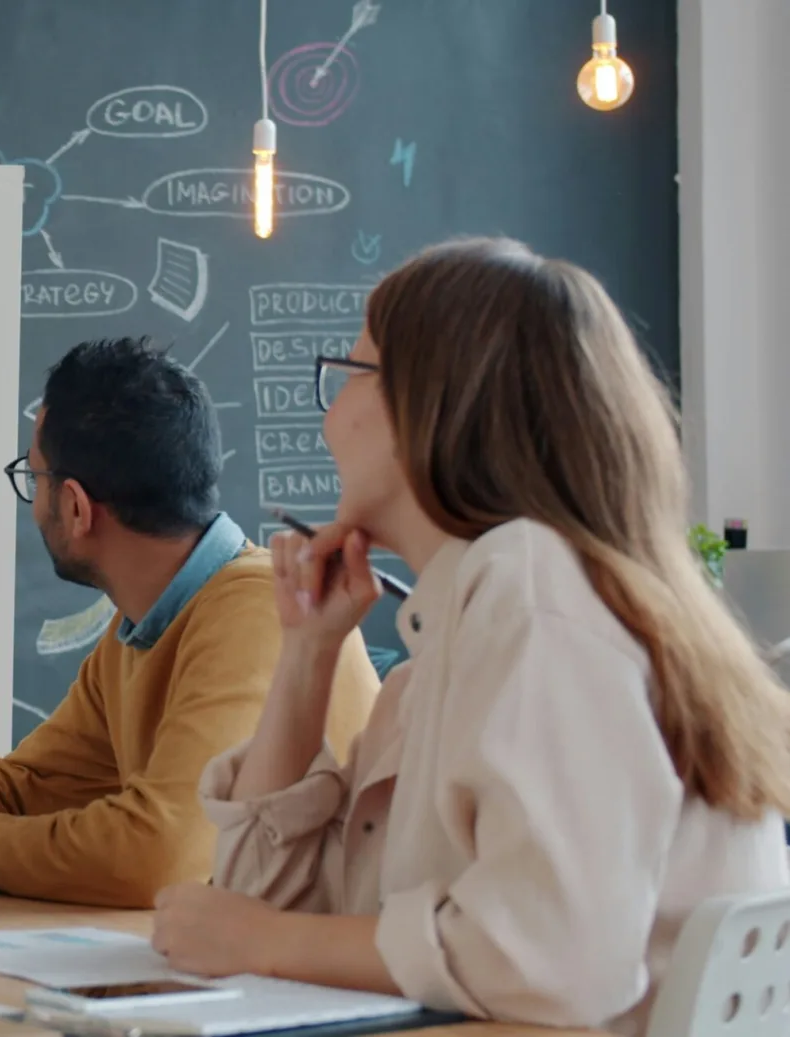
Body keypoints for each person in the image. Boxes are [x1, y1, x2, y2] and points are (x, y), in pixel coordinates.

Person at [149, 238, 790, 1035]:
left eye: (348, 376)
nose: (328, 418)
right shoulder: (448, 658)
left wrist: (273, 941)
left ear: (428, 406)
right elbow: (241, 917)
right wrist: (308, 655)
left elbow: (557, 961)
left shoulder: (534, 586)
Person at [0, 338, 378, 908]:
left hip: (310, 979)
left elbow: (160, 855)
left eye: (34, 477)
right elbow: (33, 788)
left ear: (75, 507)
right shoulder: (144, 622)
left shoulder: (256, 610)